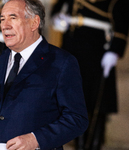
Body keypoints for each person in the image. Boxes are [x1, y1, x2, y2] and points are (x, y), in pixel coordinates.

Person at [0, 0, 88, 150]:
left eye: (13, 18)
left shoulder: (61, 62)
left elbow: (77, 119)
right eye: (2, 19)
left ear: (34, 23)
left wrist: (36, 139)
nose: (4, 25)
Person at [51, 0, 129, 150]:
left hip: (97, 54)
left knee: (97, 107)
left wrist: (114, 50)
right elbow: (59, 8)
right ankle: (78, 145)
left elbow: (122, 24)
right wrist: (57, 18)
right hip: (72, 51)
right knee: (72, 103)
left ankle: (93, 145)